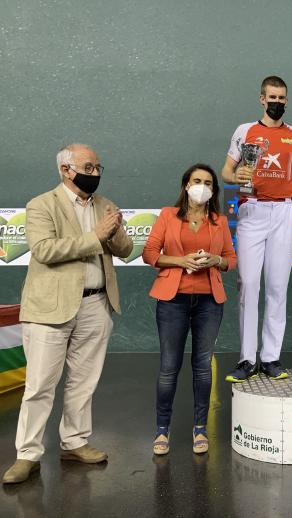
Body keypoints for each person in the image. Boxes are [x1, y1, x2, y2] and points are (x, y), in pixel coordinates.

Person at [2, 144, 133, 484]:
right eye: (88, 166)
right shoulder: (41, 205)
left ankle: (74, 442)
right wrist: (96, 236)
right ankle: (27, 454)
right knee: (40, 385)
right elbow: (45, 250)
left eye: (98, 166)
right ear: (65, 170)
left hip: (96, 304)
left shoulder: (104, 206)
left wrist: (115, 230)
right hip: (49, 309)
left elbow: (126, 249)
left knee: (83, 382)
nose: (96, 173)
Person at [221, 76, 292, 382]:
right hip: (252, 210)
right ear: (262, 99)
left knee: (277, 286)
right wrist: (239, 177)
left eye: (281, 98)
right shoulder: (244, 131)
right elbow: (226, 171)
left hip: (284, 213)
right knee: (248, 285)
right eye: (271, 97)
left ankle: (271, 357)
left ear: (286, 101)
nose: (276, 102)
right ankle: (247, 359)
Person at [143, 164, 236, 455]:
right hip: (173, 301)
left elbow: (230, 259)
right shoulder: (167, 215)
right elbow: (150, 254)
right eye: (197, 181)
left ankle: (199, 428)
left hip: (209, 302)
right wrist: (181, 261)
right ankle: (162, 430)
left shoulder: (219, 221)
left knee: (202, 367)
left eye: (208, 182)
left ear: (213, 190)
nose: (202, 186)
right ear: (186, 185)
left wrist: (214, 261)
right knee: (169, 367)